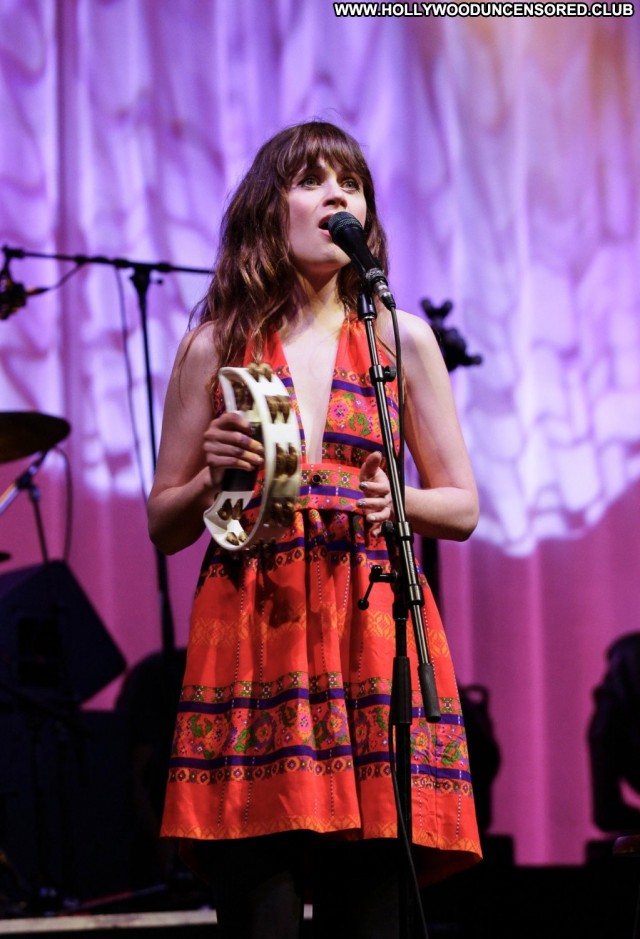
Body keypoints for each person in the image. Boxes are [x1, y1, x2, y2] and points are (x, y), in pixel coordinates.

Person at [147, 119, 482, 939]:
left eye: (351, 183)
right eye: (313, 180)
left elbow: (463, 506)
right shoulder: (214, 345)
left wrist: (398, 501)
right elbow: (163, 522)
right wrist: (210, 478)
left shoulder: (398, 338)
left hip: (369, 629)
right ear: (270, 208)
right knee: (259, 902)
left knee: (367, 907)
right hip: (253, 637)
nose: (338, 195)